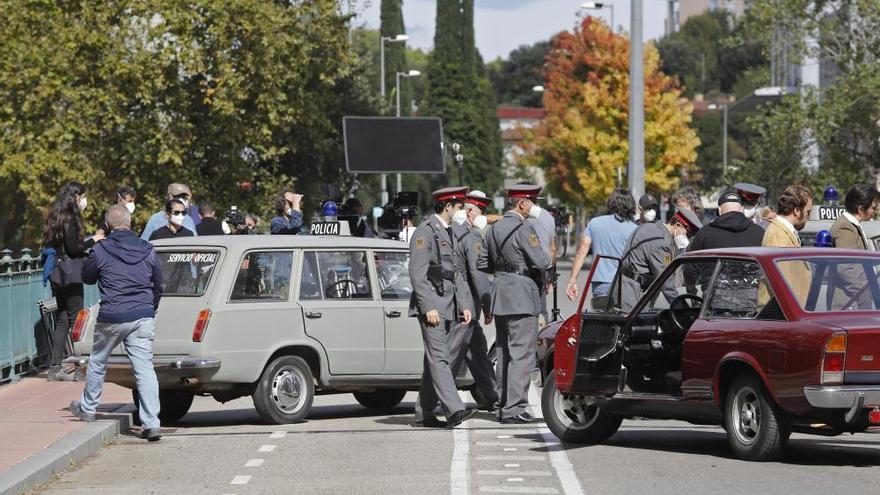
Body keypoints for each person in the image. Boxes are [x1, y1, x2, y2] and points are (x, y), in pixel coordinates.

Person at [68, 204, 163, 442]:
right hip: (142, 314)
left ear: (108, 226)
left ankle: (88, 409)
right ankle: (151, 424)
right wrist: (151, 309)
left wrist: (94, 245)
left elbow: (87, 277)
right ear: (131, 224)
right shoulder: (148, 249)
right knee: (144, 369)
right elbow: (158, 284)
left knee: (98, 361)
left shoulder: (102, 249)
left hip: (112, 315)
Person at [478, 184, 551, 424]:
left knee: (504, 351)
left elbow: (483, 263)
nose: (534, 206)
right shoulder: (524, 227)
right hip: (521, 293)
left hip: (501, 291)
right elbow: (541, 260)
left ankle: (502, 405)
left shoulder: (495, 227)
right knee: (522, 355)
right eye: (531, 201)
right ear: (522, 203)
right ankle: (514, 407)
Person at [409, 187, 476, 429]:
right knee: (439, 358)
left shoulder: (448, 232)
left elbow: (456, 272)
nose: (463, 212)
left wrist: (465, 304)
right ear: (448, 207)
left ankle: (424, 412)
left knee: (437, 360)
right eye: (460, 207)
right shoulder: (424, 232)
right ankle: (454, 409)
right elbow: (418, 275)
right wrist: (428, 306)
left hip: (449, 303)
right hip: (433, 306)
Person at [41, 182, 104, 381]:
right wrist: (95, 239)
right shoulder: (71, 219)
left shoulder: (54, 215)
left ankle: (55, 367)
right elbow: (74, 249)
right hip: (71, 273)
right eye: (83, 196)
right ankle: (80, 368)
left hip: (57, 272)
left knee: (63, 318)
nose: (84, 200)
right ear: (76, 196)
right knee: (79, 319)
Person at [450, 190, 498, 411]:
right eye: (481, 211)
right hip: (466, 306)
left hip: (461, 304)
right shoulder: (471, 237)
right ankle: (432, 403)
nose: (483, 217)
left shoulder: (451, 231)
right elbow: (478, 276)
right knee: (450, 356)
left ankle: (492, 396)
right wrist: (488, 306)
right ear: (470, 212)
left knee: (477, 351)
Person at [610, 208, 702, 313]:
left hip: (624, 284)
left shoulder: (651, 227)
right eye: (688, 234)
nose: (688, 239)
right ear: (677, 225)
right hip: (634, 292)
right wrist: (683, 308)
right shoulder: (661, 243)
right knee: (634, 326)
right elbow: (666, 282)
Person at [565, 188, 638, 309]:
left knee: (601, 321)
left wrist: (572, 280)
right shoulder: (635, 229)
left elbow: (582, 251)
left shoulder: (594, 223)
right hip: (625, 283)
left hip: (601, 282)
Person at [829, 185, 880, 309]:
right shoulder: (845, 227)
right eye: (873, 208)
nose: (875, 211)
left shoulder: (852, 226)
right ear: (861, 208)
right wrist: (865, 294)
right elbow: (845, 268)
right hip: (849, 305)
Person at [762, 184, 813, 304]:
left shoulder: (783, 230)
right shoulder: (777, 233)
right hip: (780, 312)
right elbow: (781, 282)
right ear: (796, 210)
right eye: (808, 211)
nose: (808, 216)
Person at [687, 189, 765, 251]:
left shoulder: (704, 233)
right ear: (741, 209)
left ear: (719, 210)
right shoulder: (760, 232)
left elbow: (691, 266)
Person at [525, 192, 557, 324]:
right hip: (543, 268)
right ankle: (543, 339)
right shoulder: (548, 217)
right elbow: (553, 248)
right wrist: (551, 272)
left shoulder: (523, 217)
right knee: (541, 305)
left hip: (525, 268)